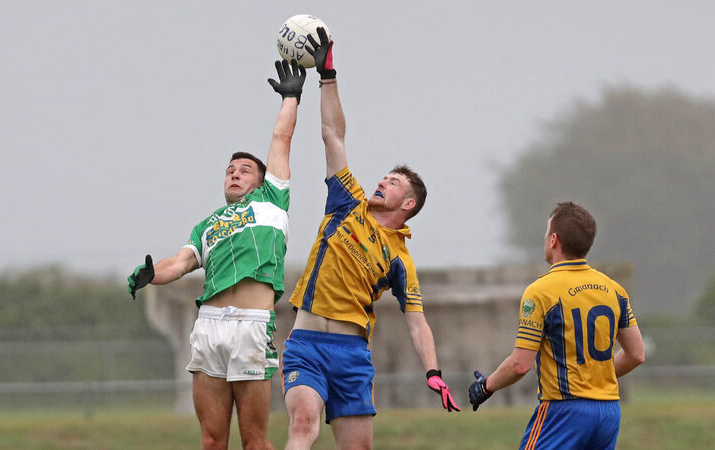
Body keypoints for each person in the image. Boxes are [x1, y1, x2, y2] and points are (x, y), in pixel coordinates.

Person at [281, 27, 460, 450]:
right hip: (304, 343)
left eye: (394, 181)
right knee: (303, 424)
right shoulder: (348, 202)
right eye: (384, 176)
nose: (382, 181)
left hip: (351, 355)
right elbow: (333, 134)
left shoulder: (400, 260)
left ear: (409, 204)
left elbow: (418, 322)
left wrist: (433, 372)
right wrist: (328, 76)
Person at [127, 59, 306, 450]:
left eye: (245, 169)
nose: (235, 174)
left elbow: (280, 141)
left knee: (255, 442)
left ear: (261, 181)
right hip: (208, 327)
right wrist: (149, 273)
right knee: (211, 441)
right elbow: (180, 263)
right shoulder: (206, 225)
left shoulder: (271, 202)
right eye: (230, 169)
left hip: (251, 326)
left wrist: (290, 98)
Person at [468, 201, 645, 450]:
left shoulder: (540, 291)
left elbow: (520, 364)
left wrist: (486, 387)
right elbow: (636, 354)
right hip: (608, 413)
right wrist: (594, 378)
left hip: (564, 412)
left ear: (554, 240)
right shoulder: (614, 289)